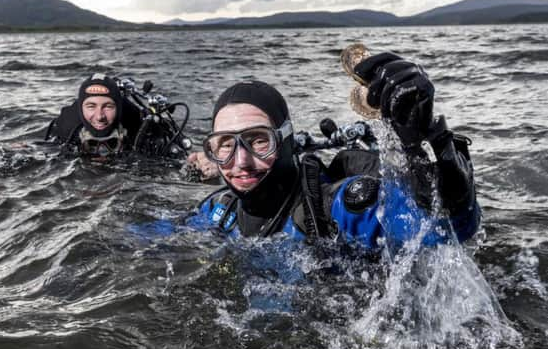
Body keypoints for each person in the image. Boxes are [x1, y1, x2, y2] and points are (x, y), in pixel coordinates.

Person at [193, 53, 480, 249]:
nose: (240, 161)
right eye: (226, 144)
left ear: (286, 141)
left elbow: (443, 230)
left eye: (258, 140)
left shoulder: (338, 210)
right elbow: (157, 239)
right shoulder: (219, 210)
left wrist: (423, 139)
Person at [0, 74, 190, 170]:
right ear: (80, 107)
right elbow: (30, 153)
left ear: (119, 108)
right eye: (91, 106)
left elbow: (180, 163)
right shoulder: (68, 129)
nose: (99, 116)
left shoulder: (139, 130)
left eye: (108, 106)